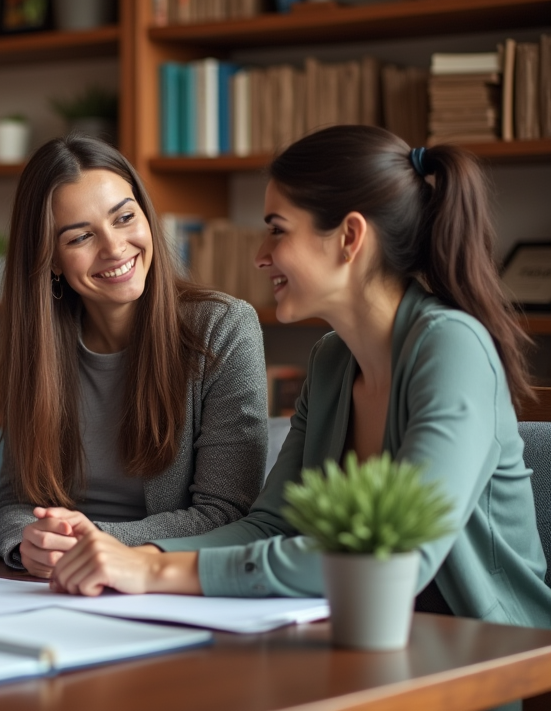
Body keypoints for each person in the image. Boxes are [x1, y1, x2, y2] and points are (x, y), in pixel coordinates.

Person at [46, 125, 551, 629]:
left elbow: (396, 557)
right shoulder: (332, 361)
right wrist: (126, 554)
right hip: (362, 637)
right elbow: (270, 526)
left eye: (278, 229)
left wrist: (154, 568)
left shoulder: (453, 347)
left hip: (488, 655)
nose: (260, 254)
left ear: (350, 238)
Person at [0, 135, 268, 577]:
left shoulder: (224, 327)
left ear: (145, 215)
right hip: (56, 586)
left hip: (162, 580)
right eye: (81, 236)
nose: (115, 248)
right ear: (52, 259)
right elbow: (17, 501)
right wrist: (28, 544)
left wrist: (97, 542)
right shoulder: (38, 347)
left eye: (124, 218)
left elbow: (228, 512)